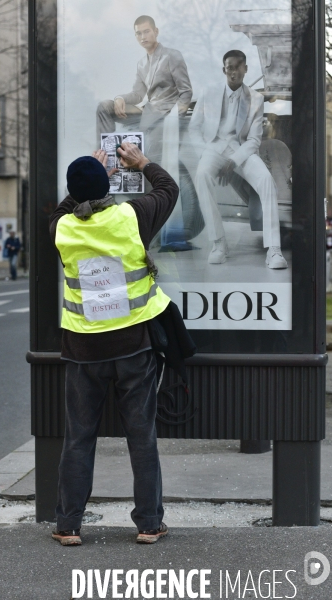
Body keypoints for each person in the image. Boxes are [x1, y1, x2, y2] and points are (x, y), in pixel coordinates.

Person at [49, 142, 179, 546]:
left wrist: (87, 178)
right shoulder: (130, 216)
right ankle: (149, 523)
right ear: (107, 187)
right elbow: (168, 189)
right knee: (141, 436)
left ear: (73, 193)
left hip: (83, 350)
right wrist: (142, 164)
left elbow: (62, 208)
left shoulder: (62, 228)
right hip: (133, 346)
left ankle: (68, 525)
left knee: (79, 437)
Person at [188, 49, 287, 269]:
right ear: (224, 70)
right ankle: (219, 243)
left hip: (241, 150)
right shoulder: (209, 93)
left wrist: (233, 162)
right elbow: (194, 129)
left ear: (246, 68)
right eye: (230, 67)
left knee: (267, 182)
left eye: (238, 66)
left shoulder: (256, 98)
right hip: (213, 147)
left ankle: (274, 250)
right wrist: (205, 153)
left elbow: (253, 140)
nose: (234, 72)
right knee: (202, 175)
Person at [96, 15, 193, 163]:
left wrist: (174, 120)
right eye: (138, 33)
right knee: (105, 107)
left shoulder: (172, 56)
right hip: (147, 112)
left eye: (146, 31)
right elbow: (137, 95)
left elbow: (186, 92)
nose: (143, 37)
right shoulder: (141, 64)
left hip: (165, 117)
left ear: (156, 31)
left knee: (145, 159)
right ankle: (105, 156)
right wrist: (119, 98)